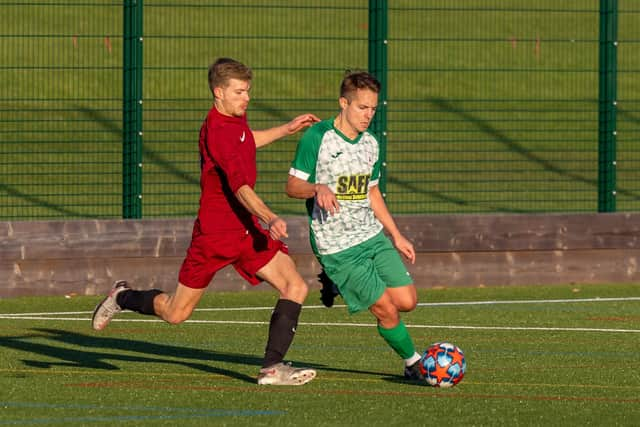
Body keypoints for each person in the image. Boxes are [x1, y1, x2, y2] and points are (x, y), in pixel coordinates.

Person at [92, 57, 320, 386]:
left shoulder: (235, 120)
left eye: (248, 91)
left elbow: (247, 141)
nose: (247, 98)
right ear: (218, 92)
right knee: (175, 314)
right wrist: (270, 216)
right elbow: (240, 187)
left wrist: (285, 129)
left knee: (295, 286)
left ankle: (271, 368)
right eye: (240, 92)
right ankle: (122, 297)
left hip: (245, 232)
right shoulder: (216, 130)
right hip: (214, 236)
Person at [286, 70, 424, 380]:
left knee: (407, 301)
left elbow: (372, 191)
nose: (368, 115)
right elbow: (292, 186)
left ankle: (334, 283)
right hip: (337, 246)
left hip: (371, 236)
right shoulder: (317, 137)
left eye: (373, 108)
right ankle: (413, 362)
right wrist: (316, 189)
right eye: (362, 107)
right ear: (343, 103)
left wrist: (396, 234)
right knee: (386, 309)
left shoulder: (371, 144)